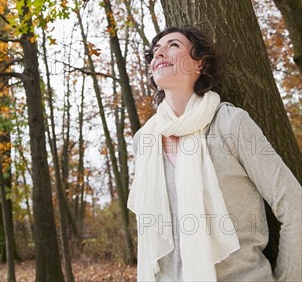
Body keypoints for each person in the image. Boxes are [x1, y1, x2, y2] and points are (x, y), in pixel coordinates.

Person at [128, 25, 302, 282]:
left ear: (200, 63)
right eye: (155, 52)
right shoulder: (144, 140)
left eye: (173, 46)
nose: (159, 54)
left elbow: (293, 203)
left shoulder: (230, 123)